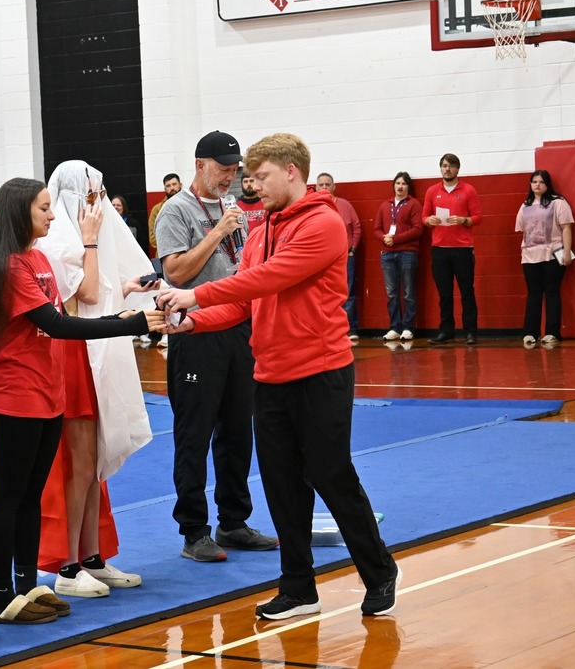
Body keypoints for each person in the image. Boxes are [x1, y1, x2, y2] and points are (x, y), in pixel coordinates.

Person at [157, 132, 400, 621]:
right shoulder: (263, 226)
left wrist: (194, 297)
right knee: (281, 483)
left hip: (320, 372)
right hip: (269, 375)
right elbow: (245, 303)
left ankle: (379, 571)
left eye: (262, 176)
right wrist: (188, 321)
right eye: (249, 177)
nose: (253, 185)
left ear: (292, 172)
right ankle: (298, 587)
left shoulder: (323, 223)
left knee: (331, 476)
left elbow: (268, 278)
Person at [0, 177, 163, 624]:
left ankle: (27, 584)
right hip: (18, 394)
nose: (53, 216)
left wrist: (124, 314)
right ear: (20, 213)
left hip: (49, 391)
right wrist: (131, 325)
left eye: (51, 207)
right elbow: (57, 325)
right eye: (43, 209)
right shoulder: (10, 266)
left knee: (31, 495)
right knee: (9, 496)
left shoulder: (37, 259)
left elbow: (65, 318)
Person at [35, 161, 158, 598]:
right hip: (72, 354)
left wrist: (126, 286)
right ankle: (67, 567)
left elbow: (98, 291)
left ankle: (91, 556)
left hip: (95, 348)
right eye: (91, 198)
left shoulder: (78, 237)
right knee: (80, 463)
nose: (98, 208)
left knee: (94, 465)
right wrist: (89, 241)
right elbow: (83, 294)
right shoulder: (58, 238)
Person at [153, 130, 278, 563]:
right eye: (223, 168)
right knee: (194, 434)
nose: (230, 176)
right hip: (195, 332)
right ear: (200, 164)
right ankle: (193, 531)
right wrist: (218, 231)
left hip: (238, 329)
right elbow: (177, 274)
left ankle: (233, 522)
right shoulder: (176, 210)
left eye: (234, 169)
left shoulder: (230, 208)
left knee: (238, 431)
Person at [423, 153, 482, 345]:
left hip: (462, 249)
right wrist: (429, 220)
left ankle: (470, 332)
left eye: (451, 166)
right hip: (440, 249)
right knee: (445, 293)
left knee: (467, 291)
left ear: (458, 169)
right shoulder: (432, 191)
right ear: (440, 168)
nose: (447, 169)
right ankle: (446, 331)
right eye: (444, 165)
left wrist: (464, 220)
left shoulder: (468, 190)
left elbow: (478, 217)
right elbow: (424, 217)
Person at [515, 170, 574, 346]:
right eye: (534, 182)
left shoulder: (558, 203)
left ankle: (552, 333)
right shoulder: (525, 205)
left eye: (541, 182)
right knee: (533, 294)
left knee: (552, 292)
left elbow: (566, 228)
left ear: (547, 184)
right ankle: (530, 333)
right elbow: (523, 230)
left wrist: (567, 251)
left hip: (553, 253)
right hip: (530, 256)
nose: (537, 185)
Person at [373, 173, 424, 342]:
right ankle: (395, 327)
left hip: (407, 252)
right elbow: (377, 229)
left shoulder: (414, 204)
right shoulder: (384, 206)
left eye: (403, 184)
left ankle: (408, 327)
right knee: (392, 293)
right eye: (397, 183)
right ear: (393, 186)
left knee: (408, 292)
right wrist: (384, 238)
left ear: (408, 187)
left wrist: (396, 239)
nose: (400, 186)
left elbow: (418, 229)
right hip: (387, 253)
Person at [316, 173, 361, 341]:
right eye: (321, 184)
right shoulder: (314, 208)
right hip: (322, 260)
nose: (325, 187)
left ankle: (350, 328)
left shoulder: (345, 206)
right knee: (323, 294)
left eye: (328, 184)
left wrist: (353, 249)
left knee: (348, 292)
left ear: (334, 187)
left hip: (346, 257)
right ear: (316, 187)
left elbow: (356, 227)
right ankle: (329, 330)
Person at [148, 173, 182, 251]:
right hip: (165, 255)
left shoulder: (189, 205)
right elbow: (153, 239)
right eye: (168, 186)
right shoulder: (157, 209)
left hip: (189, 255)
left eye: (174, 184)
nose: (172, 188)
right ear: (165, 189)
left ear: (180, 185)